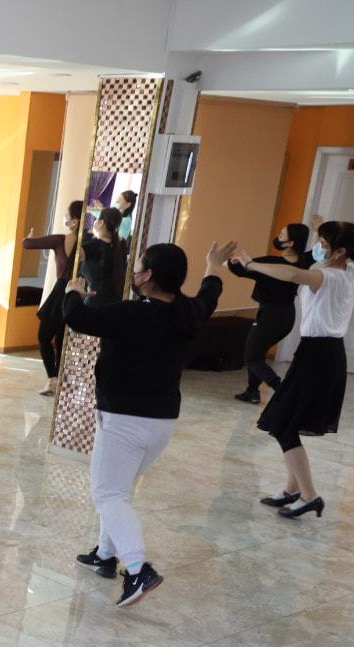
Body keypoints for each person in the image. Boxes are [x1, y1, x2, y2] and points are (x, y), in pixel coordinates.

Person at [65, 240, 233, 607]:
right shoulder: (188, 312)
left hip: (124, 420)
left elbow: (77, 319)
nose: (135, 271)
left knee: (108, 494)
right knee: (119, 490)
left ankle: (138, 568)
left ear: (149, 276)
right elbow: (210, 294)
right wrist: (213, 265)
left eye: (139, 266)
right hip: (161, 422)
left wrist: (73, 292)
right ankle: (105, 556)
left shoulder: (132, 313)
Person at [236, 220, 354, 520]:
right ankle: (292, 489)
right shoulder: (352, 271)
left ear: (340, 251)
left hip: (319, 356)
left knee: (282, 425)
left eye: (323, 243)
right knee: (288, 422)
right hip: (321, 353)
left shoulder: (328, 276)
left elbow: (293, 273)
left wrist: (252, 265)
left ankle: (310, 496)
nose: (317, 248)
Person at [228, 223, 312, 403]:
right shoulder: (305, 259)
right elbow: (325, 252)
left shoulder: (270, 264)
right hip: (287, 316)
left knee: (251, 357)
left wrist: (230, 261)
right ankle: (252, 392)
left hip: (270, 316)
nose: (278, 236)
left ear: (290, 243)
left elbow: (240, 270)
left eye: (282, 235)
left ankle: (283, 391)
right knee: (257, 353)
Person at [23, 200, 84, 396]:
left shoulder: (60, 240)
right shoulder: (89, 243)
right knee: (61, 339)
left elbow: (27, 244)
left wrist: (30, 237)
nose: (64, 217)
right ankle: (60, 381)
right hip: (78, 293)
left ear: (74, 222)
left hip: (61, 292)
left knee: (44, 337)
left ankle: (53, 379)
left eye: (67, 215)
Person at [80, 206, 127, 306]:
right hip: (114, 303)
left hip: (96, 303)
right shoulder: (120, 246)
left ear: (101, 223)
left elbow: (73, 257)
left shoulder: (95, 245)